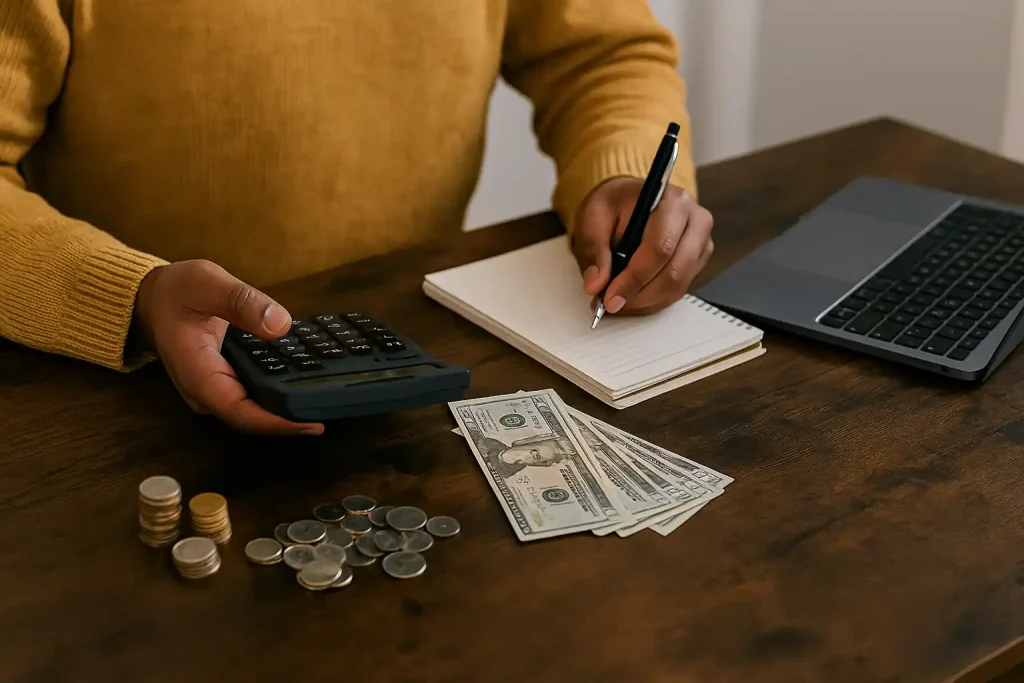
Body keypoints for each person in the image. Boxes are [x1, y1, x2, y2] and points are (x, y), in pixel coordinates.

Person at [0, 1, 714, 436]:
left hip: (414, 362)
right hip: (117, 395)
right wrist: (132, 293)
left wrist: (625, 172)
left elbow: (604, 54)